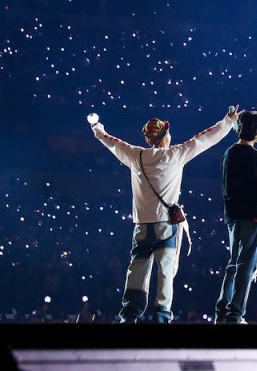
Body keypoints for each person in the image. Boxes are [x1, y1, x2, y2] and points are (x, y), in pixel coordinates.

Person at [90, 106, 238, 323]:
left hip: (142, 226)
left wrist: (97, 128)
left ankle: (129, 315)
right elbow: (204, 139)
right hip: (166, 226)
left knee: (137, 270)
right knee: (166, 273)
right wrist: (227, 122)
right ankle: (161, 316)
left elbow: (112, 142)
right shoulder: (176, 154)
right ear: (164, 135)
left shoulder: (136, 155)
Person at [215, 109, 257, 324]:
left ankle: (222, 311)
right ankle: (235, 313)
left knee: (234, 263)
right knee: (246, 265)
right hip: (252, 218)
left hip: (232, 215)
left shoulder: (229, 153)